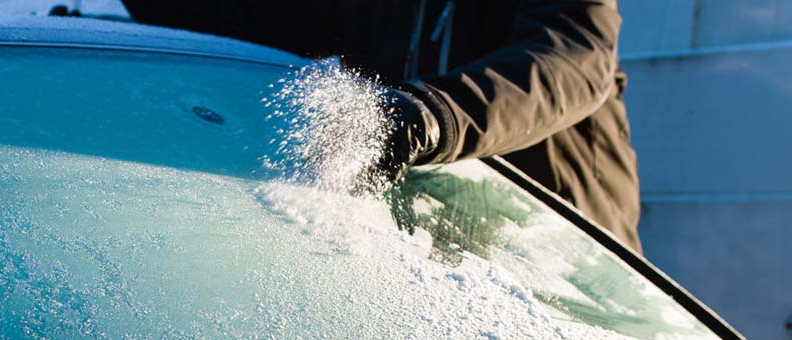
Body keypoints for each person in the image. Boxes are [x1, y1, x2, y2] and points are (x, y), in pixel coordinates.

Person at [123, 0, 641, 252]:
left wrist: (430, 115)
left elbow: (576, 56)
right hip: (438, 253)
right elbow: (250, 19)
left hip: (568, 246)